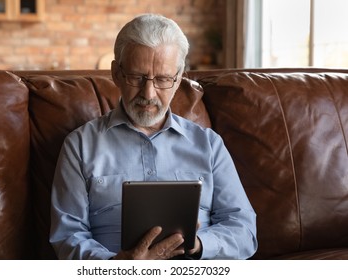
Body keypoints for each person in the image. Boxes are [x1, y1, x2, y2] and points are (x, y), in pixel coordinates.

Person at [49, 13, 257, 260]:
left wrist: (198, 244)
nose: (149, 93)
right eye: (137, 77)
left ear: (179, 78)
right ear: (116, 73)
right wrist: (116, 266)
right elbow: (67, 236)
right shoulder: (80, 146)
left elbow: (244, 229)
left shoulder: (209, 144)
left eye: (162, 79)